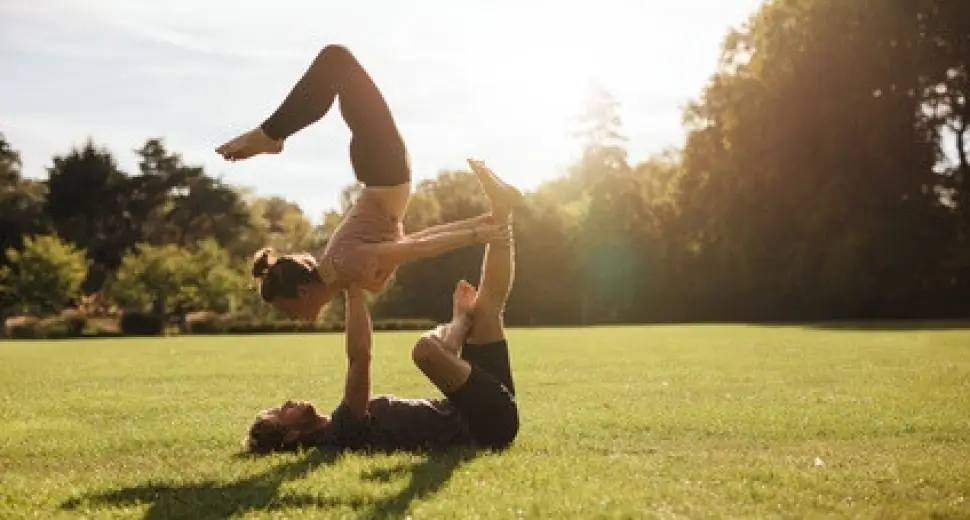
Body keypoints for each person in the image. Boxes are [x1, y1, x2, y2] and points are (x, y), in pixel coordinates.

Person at [216, 44, 521, 320]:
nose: (290, 318)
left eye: (287, 309)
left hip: (383, 168)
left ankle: (271, 135)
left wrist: (478, 235)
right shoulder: (347, 274)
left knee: (336, 61)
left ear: (303, 293)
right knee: (337, 63)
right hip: (383, 170)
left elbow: (420, 247)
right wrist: (478, 224)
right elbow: (414, 242)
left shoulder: (347, 263)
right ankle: (272, 135)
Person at [243, 175, 519, 453]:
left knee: (487, 308)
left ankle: (502, 209)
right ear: (290, 436)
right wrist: (353, 290)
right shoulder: (340, 434)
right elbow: (359, 359)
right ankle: (459, 322)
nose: (288, 402)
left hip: (483, 404)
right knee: (424, 351)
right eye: (282, 412)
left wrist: (479, 226)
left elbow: (415, 243)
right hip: (483, 426)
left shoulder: (342, 426)